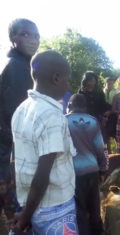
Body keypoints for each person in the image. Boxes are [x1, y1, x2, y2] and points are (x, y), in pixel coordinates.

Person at [10, 50, 78, 234]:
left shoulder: (21, 110)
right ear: (56, 78)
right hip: (55, 207)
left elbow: (14, 158)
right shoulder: (52, 115)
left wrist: (23, 209)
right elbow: (43, 173)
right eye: (67, 79)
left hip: (28, 202)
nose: (68, 84)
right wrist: (24, 218)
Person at [0, 18, 39, 188]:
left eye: (36, 36)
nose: (33, 40)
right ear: (12, 38)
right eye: (25, 34)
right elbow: (18, 116)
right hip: (13, 150)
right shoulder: (17, 67)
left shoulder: (25, 65)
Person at [66, 94, 109, 235]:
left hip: (73, 173)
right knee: (94, 208)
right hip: (92, 170)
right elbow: (100, 148)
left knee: (79, 211)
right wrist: (103, 170)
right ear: (84, 107)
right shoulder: (93, 121)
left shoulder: (63, 121)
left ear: (70, 105)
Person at [103, 77, 118, 153]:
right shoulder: (102, 92)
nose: (110, 85)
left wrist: (111, 111)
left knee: (116, 134)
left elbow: (118, 104)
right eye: (109, 83)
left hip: (114, 115)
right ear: (105, 83)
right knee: (106, 135)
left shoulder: (116, 92)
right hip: (105, 115)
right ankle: (109, 154)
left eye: (112, 83)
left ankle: (118, 152)